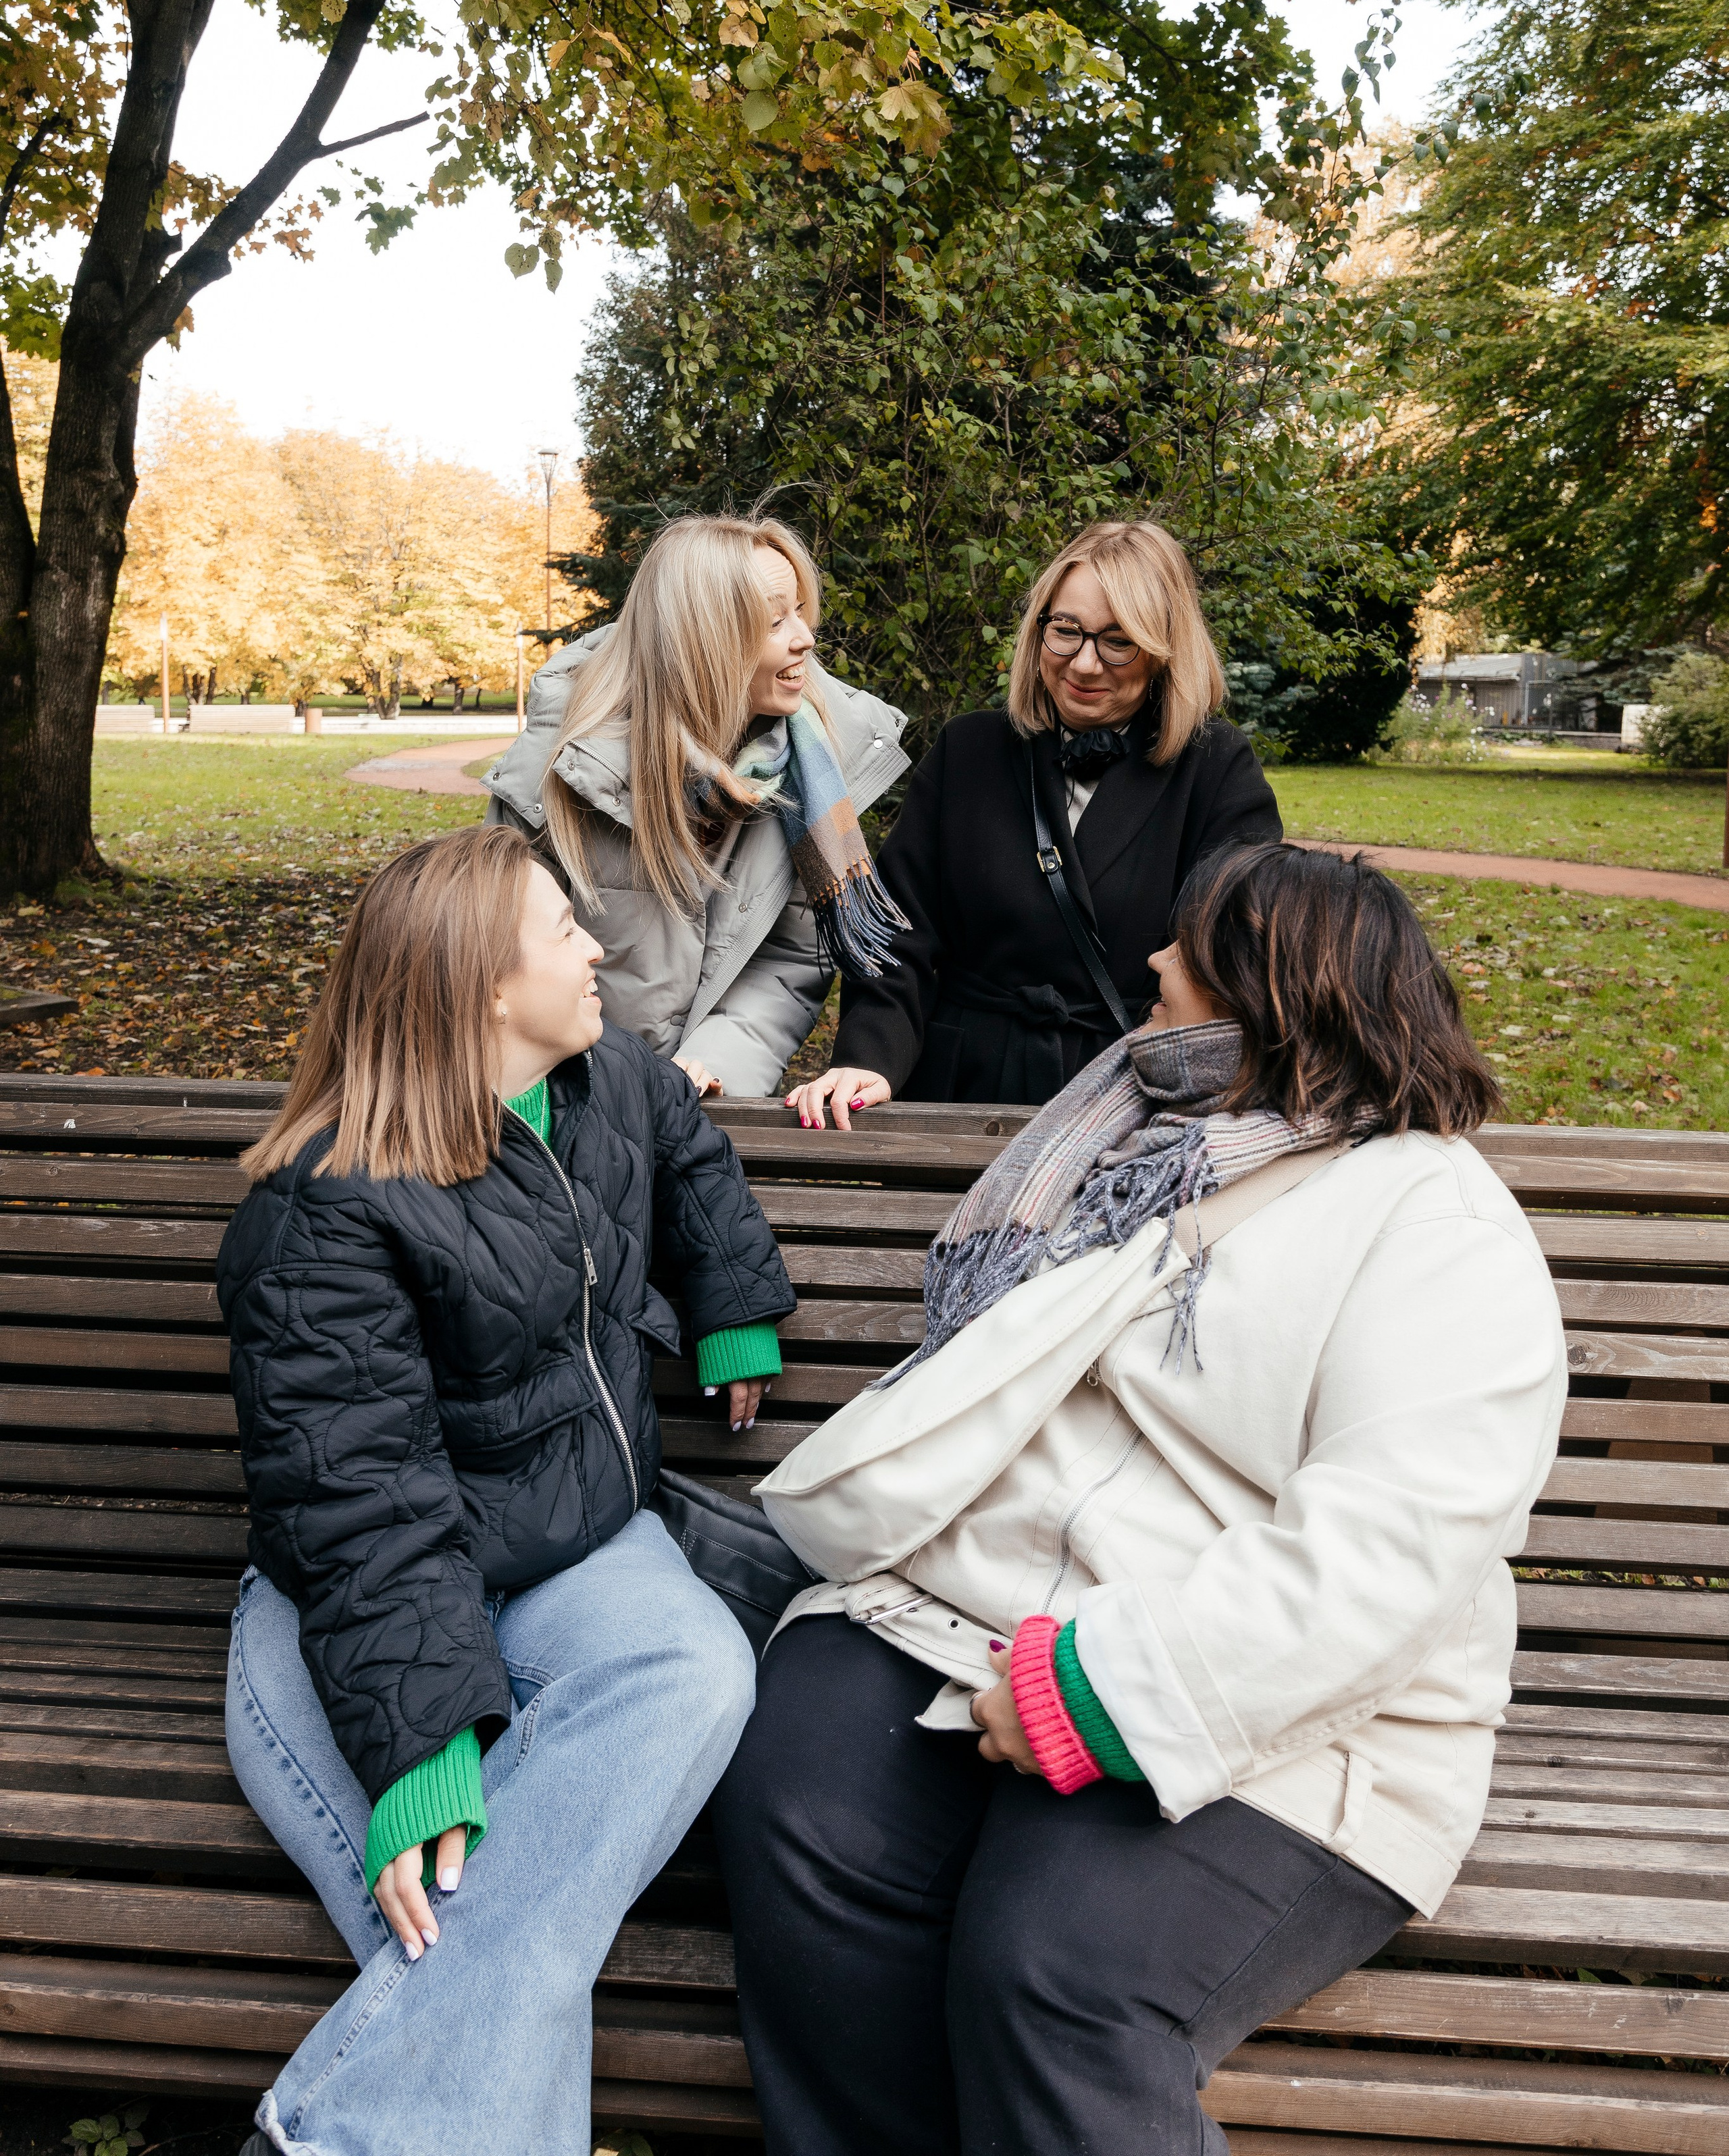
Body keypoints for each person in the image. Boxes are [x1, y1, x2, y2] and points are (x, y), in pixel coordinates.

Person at [717, 841, 1568, 2156]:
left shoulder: (1431, 1223)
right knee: (803, 1815)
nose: (1153, 965)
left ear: (1278, 992)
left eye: (1189, 948)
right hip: (966, 1605)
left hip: (1282, 1699)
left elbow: (1388, 1550)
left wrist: (1095, 1692)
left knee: (1055, 1968)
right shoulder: (1120, 1143)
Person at [219, 825, 793, 2156]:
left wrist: (735, 1306)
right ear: (483, 983)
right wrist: (421, 1751)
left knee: (693, 1671)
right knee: (467, 1921)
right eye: (561, 933)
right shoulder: (324, 1212)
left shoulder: (606, 1083)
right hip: (358, 1602)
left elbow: (691, 1157)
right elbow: (359, 1502)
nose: (596, 951)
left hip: (582, 1544)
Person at [788, 517, 1281, 1124]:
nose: (1085, 664)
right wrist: (872, 1058)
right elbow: (898, 933)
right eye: (1066, 631)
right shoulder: (969, 751)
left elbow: (1233, 963)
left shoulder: (1216, 770)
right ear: (1039, 628)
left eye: (1118, 640)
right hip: (960, 1088)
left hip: (1128, 1100)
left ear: (1162, 650)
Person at [486, 513, 908, 1099]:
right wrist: (625, 1085)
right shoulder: (562, 772)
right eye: (774, 620)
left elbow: (790, 957)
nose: (805, 638)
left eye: (801, 613)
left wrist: (712, 1064)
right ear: (702, 644)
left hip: (708, 1111)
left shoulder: (812, 775)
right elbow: (504, 964)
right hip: (562, 1100)